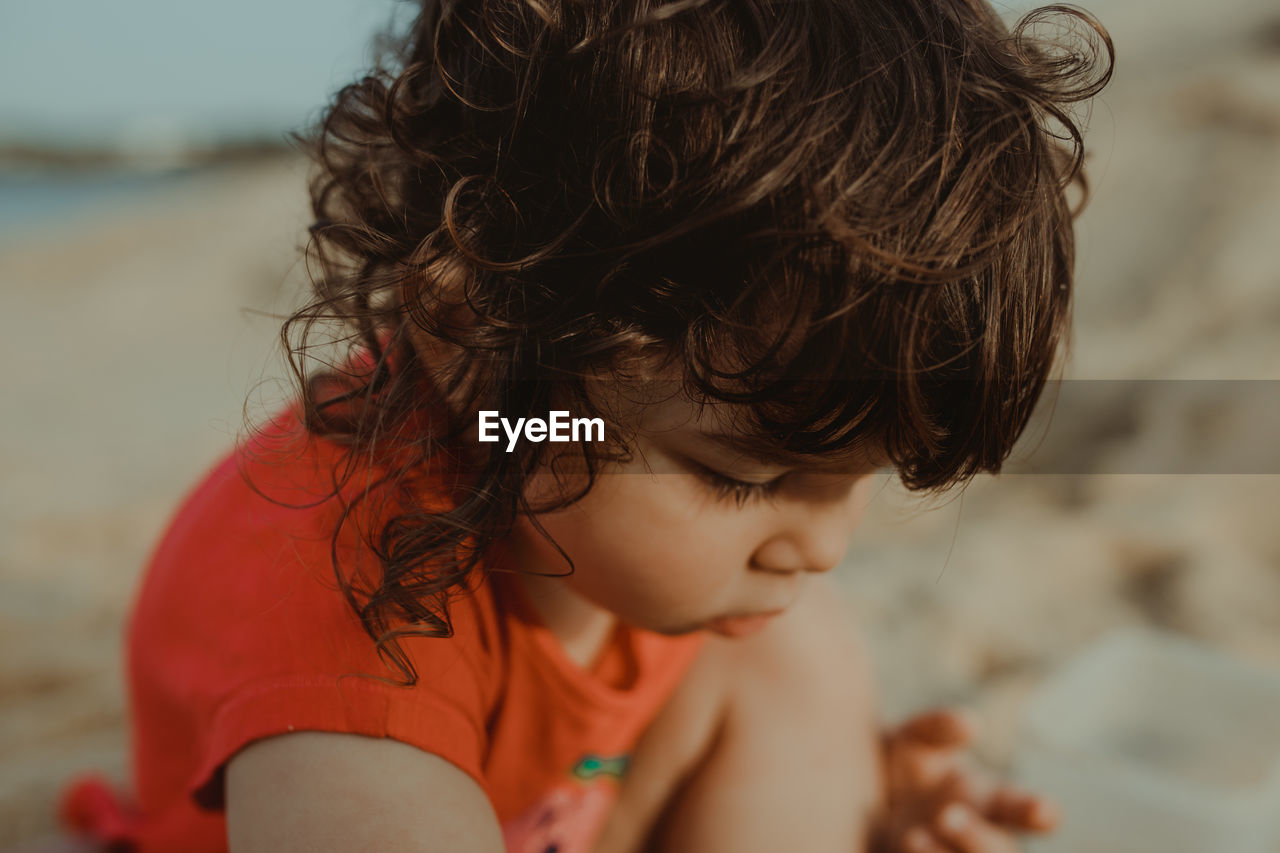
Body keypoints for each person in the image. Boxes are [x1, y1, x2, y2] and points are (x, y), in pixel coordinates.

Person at [56, 0, 1113, 850]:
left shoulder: (548, 445)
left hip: (552, 794)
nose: (823, 545)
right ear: (475, 341)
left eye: (858, 478)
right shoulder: (348, 628)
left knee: (790, 651)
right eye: (742, 478)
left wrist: (853, 799)